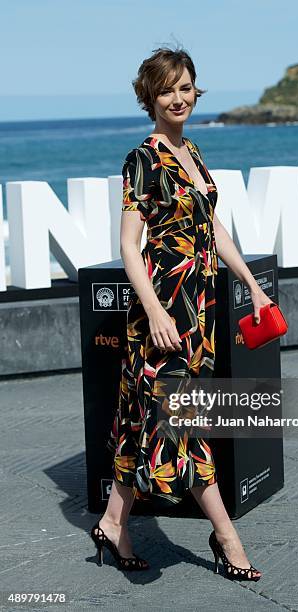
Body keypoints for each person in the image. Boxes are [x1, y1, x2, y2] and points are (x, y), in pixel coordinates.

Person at [90, 46, 272, 581]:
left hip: (199, 309)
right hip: (162, 312)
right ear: (150, 97)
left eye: (186, 86)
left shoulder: (193, 151)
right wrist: (155, 312)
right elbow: (129, 246)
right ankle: (227, 536)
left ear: (196, 90)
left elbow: (213, 230)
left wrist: (252, 288)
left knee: (143, 421)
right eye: (167, 89)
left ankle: (112, 523)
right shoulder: (141, 160)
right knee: (182, 424)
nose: (179, 97)